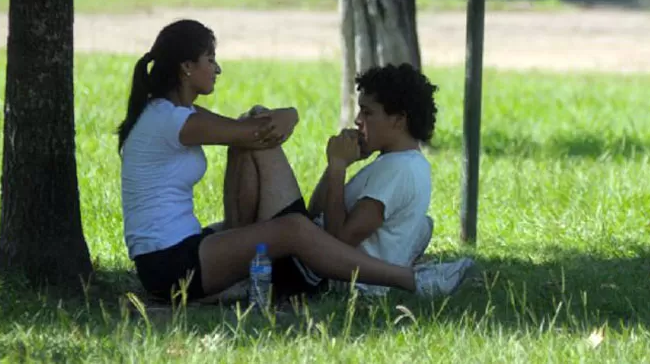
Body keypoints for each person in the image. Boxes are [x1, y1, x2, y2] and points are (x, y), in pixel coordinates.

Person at [118, 19, 473, 303]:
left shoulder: (172, 113)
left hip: (179, 253)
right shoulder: (172, 120)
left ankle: (244, 251)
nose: (218, 68)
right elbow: (256, 131)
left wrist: (330, 160)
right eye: (210, 59)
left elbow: (247, 132)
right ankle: (413, 281)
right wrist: (292, 115)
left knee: (252, 145)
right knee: (294, 229)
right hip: (172, 267)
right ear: (185, 67)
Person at [288, 64, 440, 296]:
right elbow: (316, 211)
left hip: (323, 278)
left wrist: (338, 167)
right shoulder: (400, 163)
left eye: (368, 113)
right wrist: (337, 166)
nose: (358, 120)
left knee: (263, 150)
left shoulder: (398, 169)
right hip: (314, 266)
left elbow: (337, 243)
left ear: (399, 120)